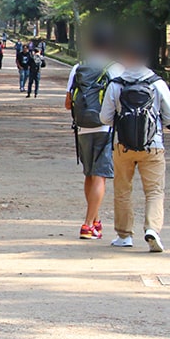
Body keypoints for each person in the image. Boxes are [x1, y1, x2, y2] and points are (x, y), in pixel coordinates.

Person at [100, 41, 170, 253]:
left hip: (121, 146)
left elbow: (105, 118)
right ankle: (152, 229)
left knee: (123, 190)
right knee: (154, 191)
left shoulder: (116, 84)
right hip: (153, 145)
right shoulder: (157, 83)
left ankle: (124, 235)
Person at [66, 29, 123, 240]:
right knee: (100, 176)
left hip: (82, 128)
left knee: (89, 174)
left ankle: (96, 220)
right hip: (105, 128)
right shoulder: (115, 68)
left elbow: (67, 103)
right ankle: (88, 224)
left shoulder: (78, 68)